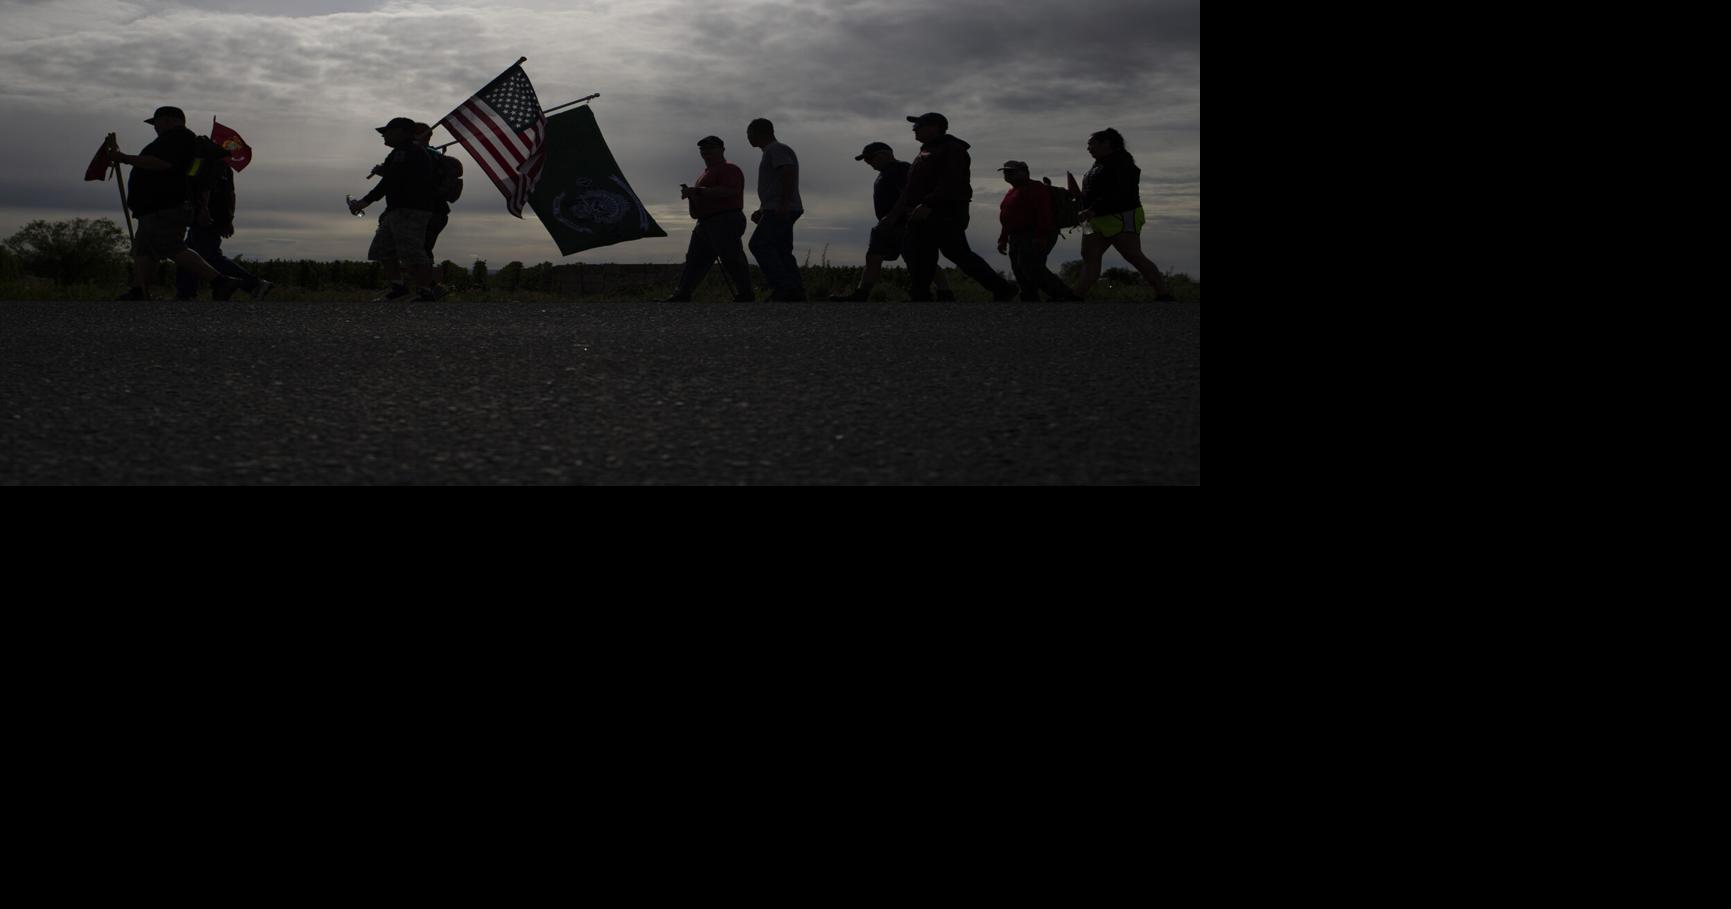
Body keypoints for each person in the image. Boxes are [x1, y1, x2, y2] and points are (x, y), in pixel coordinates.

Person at [106, 106, 244, 301]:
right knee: (144, 248)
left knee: (170, 246)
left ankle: (220, 281)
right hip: (156, 206)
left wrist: (125, 158)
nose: (155, 127)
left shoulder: (178, 138)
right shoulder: (177, 139)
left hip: (165, 205)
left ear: (169, 119)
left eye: (156, 122)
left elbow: (163, 163)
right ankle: (140, 290)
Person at [881, 112, 1016, 302]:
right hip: (920, 213)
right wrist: (893, 215)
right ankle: (920, 294)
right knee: (920, 252)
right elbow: (910, 189)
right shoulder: (924, 153)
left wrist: (929, 204)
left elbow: (953, 181)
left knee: (957, 253)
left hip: (944, 212)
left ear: (935, 127)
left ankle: (1001, 288)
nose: (914, 129)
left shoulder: (953, 149)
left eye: (918, 125)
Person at [828, 142, 952, 302]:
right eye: (866, 160)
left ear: (884, 154)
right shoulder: (885, 173)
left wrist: (894, 216)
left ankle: (945, 292)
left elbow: (908, 194)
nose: (868, 163)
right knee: (873, 256)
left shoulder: (901, 169)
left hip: (903, 223)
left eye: (870, 159)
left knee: (921, 260)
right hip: (886, 224)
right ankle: (861, 293)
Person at [1071, 128, 1176, 301]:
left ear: (1106, 144)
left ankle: (1163, 294)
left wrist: (1093, 209)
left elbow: (1118, 193)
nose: (1088, 148)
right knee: (1090, 256)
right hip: (1095, 219)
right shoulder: (1098, 164)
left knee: (1133, 255)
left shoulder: (1123, 164)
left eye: (1092, 144)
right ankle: (1076, 296)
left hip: (1121, 216)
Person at [349, 116, 444, 302]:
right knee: (383, 249)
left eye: (387, 131)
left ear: (401, 132)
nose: (384, 136)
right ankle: (398, 288)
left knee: (412, 251)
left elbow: (390, 181)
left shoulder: (407, 151)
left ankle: (426, 292)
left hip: (410, 210)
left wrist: (365, 202)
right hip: (397, 209)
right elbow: (394, 178)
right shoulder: (402, 152)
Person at [663, 135, 754, 302]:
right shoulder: (704, 174)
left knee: (731, 257)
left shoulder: (730, 169)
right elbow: (702, 200)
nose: (706, 152)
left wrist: (697, 191)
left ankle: (746, 293)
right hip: (705, 222)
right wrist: (692, 196)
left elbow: (729, 190)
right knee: (695, 259)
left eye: (711, 148)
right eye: (703, 149)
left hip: (725, 218)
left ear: (722, 150)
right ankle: (682, 293)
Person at [174, 146, 272, 301]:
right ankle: (185, 293)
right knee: (187, 253)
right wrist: (229, 219)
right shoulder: (226, 169)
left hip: (204, 217)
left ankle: (254, 284)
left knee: (209, 256)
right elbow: (231, 196)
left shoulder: (203, 163)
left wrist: (203, 209)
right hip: (213, 217)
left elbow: (202, 186)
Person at [994, 160, 1078, 302]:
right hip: (1016, 235)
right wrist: (1003, 239)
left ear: (1025, 173)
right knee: (1019, 268)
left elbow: (1044, 213)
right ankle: (1029, 297)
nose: (1007, 175)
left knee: (1030, 265)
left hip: (1034, 233)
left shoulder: (1036, 188)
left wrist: (1041, 236)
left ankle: (1063, 294)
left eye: (1011, 172)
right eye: (1005, 172)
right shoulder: (1012, 192)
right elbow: (1007, 217)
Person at [745, 118, 807, 302]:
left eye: (749, 134)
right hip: (776, 207)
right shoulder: (771, 151)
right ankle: (795, 291)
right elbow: (776, 182)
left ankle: (783, 287)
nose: (748, 138)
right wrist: (763, 209)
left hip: (781, 208)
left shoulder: (776, 149)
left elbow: (787, 172)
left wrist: (783, 204)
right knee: (781, 249)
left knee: (759, 244)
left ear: (759, 133)